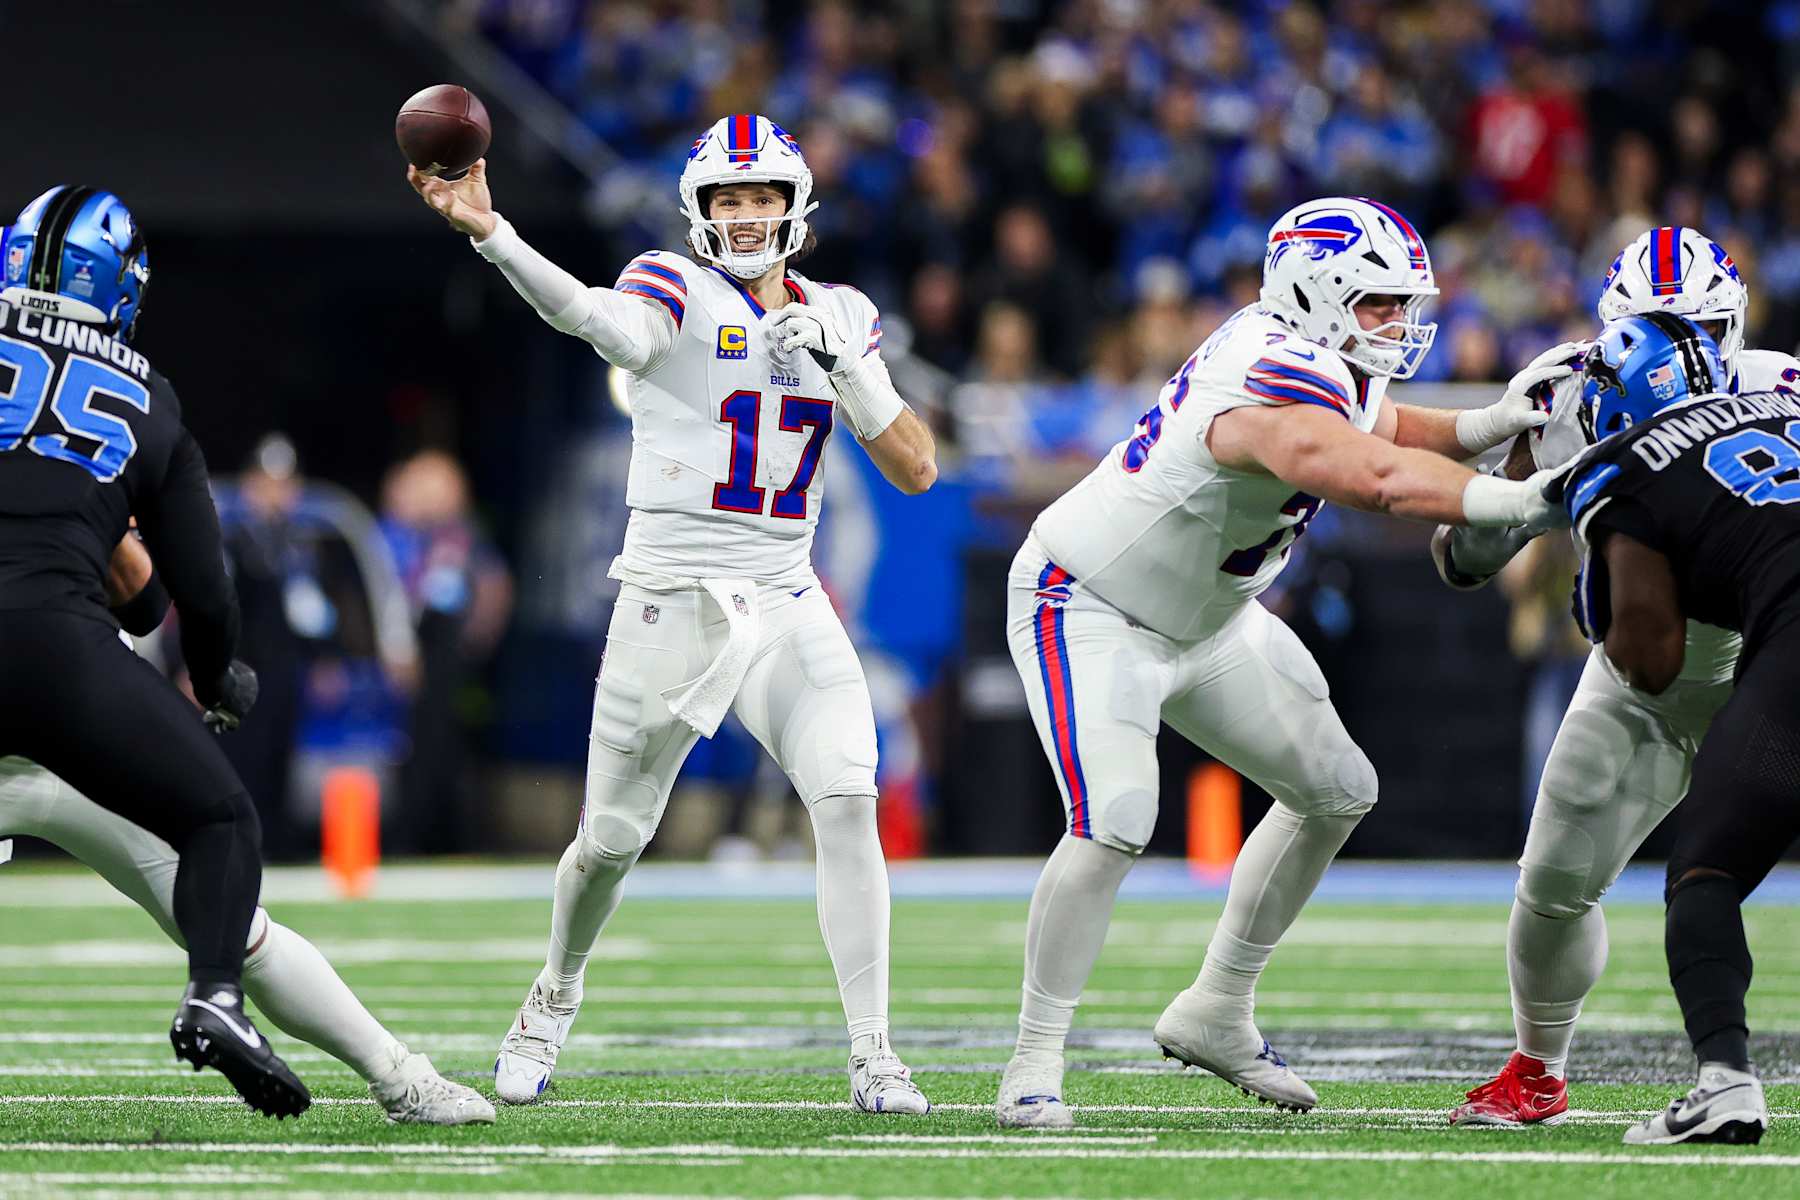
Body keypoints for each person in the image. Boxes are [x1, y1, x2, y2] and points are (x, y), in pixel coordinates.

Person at [994, 196, 1567, 1129]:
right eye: (1379, 303)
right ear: (1319, 293)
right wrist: (1522, 502)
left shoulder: (1311, 354)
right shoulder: (1266, 377)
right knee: (1117, 819)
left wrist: (1491, 420)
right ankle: (1032, 1059)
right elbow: (1372, 476)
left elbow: (1384, 427)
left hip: (1208, 621)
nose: (1398, 324)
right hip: (1091, 604)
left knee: (1339, 786)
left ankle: (1218, 1008)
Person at [409, 113, 938, 1113]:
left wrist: (849, 367)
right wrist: (493, 233)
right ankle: (552, 994)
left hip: (785, 590)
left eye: (761, 197)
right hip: (669, 595)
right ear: (699, 213)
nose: (745, 216)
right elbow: (599, 325)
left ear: (796, 206)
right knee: (609, 840)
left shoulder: (844, 312)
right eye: (726, 199)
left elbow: (918, 470)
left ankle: (875, 1052)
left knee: (849, 798)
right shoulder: (671, 283)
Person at [1433, 227, 1800, 1127]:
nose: (1686, 349)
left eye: (1705, 326)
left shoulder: (1781, 381)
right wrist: (1527, 504)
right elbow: (1461, 552)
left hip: (1756, 637)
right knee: (1554, 880)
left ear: (1735, 325)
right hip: (1653, 670)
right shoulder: (1565, 391)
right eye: (1657, 326)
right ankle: (1538, 1067)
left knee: (1702, 870)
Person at [0, 540, 494, 1125]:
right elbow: (145, 595)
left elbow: (140, 591)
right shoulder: (99, 457)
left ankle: (398, 1074)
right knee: (234, 905)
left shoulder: (87, 461)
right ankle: (398, 1077)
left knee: (238, 926)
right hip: (77, 718)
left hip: (74, 729)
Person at [0, 186, 306, 1116]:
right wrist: (218, 680)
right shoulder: (145, 393)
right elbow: (201, 595)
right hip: (57, 646)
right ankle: (216, 995)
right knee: (220, 820)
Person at [1547, 312, 1800, 1145]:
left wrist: (1607, 581)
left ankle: (1725, 1081)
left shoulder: (1628, 465)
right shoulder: (1785, 401)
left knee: (1706, 872)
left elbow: (1652, 659)